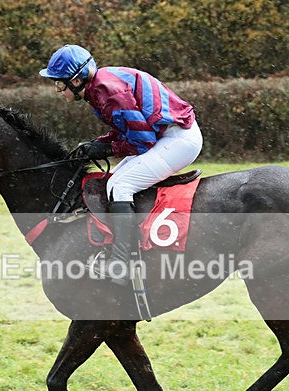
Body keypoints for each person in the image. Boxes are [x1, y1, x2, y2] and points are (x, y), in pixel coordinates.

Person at [39, 44, 202, 285]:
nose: (57, 90)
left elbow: (142, 141)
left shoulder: (107, 91)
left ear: (75, 80)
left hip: (179, 139)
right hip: (166, 135)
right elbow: (125, 130)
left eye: (60, 83)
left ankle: (122, 263)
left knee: (121, 186)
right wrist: (98, 143)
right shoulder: (98, 87)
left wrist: (106, 148)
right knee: (112, 182)